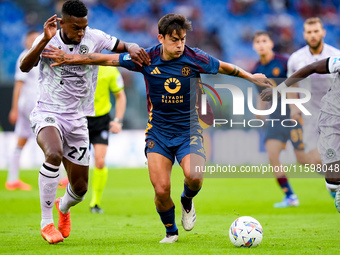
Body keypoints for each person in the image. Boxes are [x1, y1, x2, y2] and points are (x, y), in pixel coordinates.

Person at [42, 13, 272, 243]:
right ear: (161, 38)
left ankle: (186, 200)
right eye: (174, 40)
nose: (180, 44)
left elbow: (225, 67)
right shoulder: (146, 58)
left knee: (194, 178)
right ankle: (171, 232)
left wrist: (251, 77)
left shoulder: (194, 57)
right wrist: (69, 59)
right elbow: (104, 59)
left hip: (188, 130)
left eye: (182, 39)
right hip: (158, 133)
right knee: (161, 190)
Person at [20, 0, 149, 244]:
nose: (81, 32)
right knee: (54, 154)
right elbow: (25, 66)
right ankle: (46, 222)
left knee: (80, 189)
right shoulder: (47, 39)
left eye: (84, 27)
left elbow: (122, 44)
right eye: (76, 28)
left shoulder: (94, 37)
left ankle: (63, 208)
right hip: (48, 111)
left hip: (78, 118)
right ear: (63, 23)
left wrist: (131, 46)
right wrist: (44, 42)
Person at [260, 56, 340, 213]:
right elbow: (311, 68)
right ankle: (291, 195)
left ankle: (290, 196)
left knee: (302, 158)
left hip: (297, 118)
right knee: (331, 182)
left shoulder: (281, 61)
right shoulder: (336, 61)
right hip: (329, 119)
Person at [252, 31, 313, 208]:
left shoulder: (284, 62)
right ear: (254, 46)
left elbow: (294, 84)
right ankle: (290, 196)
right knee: (273, 156)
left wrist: (295, 108)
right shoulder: (256, 70)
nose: (261, 44)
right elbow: (260, 94)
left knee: (303, 158)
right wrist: (259, 111)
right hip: (274, 118)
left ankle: (334, 182)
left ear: (271, 43)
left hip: (291, 115)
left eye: (264, 40)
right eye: (258, 41)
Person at [287, 17, 340, 166]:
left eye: (316, 31)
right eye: (309, 32)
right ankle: (334, 184)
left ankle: (334, 186)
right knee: (316, 161)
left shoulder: (336, 55)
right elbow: (292, 84)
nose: (313, 35)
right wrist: (293, 106)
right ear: (304, 34)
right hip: (310, 115)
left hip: (335, 114)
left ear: (323, 32)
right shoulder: (296, 59)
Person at [88, 65, 126, 214]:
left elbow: (120, 95)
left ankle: (95, 202)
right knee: (78, 163)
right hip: (79, 118)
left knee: (100, 161)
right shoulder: (77, 67)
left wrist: (118, 120)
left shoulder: (110, 70)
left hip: (101, 120)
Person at [6, 30, 40, 191]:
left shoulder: (39, 56)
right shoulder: (26, 56)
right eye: (31, 39)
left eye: (36, 39)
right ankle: (61, 178)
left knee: (21, 140)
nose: (34, 41)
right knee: (52, 138)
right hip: (31, 105)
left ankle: (12, 180)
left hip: (28, 105)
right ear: (26, 41)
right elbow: (19, 84)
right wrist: (14, 108)